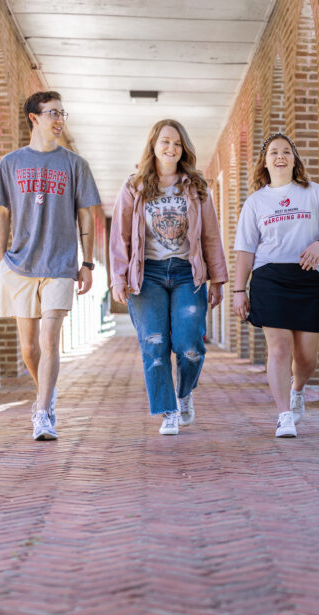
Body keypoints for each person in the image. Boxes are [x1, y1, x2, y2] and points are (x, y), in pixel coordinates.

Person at [0, 90, 102, 441]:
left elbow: (86, 214)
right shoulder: (10, 163)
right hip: (21, 263)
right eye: (52, 113)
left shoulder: (75, 164)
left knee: (50, 337)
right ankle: (47, 393)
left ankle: (43, 412)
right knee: (29, 348)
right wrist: (0, 260)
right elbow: (2, 212)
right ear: (34, 118)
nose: (59, 120)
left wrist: (86, 261)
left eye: (62, 113)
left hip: (59, 263)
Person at [110, 119, 228, 435]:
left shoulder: (196, 186)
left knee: (190, 344)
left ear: (183, 148)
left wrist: (217, 278)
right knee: (154, 344)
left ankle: (184, 392)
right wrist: (118, 277)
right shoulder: (134, 185)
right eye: (165, 142)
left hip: (187, 274)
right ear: (153, 145)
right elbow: (119, 235)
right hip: (146, 276)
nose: (171, 148)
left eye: (176, 143)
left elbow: (212, 236)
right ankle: (168, 412)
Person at [232, 133, 319, 438]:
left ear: (294, 159)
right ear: (265, 163)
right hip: (269, 277)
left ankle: (298, 388)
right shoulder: (255, 202)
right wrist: (239, 290)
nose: (280, 156)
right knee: (279, 349)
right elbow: (245, 250)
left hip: (308, 278)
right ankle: (284, 415)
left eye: (286, 152)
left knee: (306, 358)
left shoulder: (313, 192)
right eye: (273, 152)